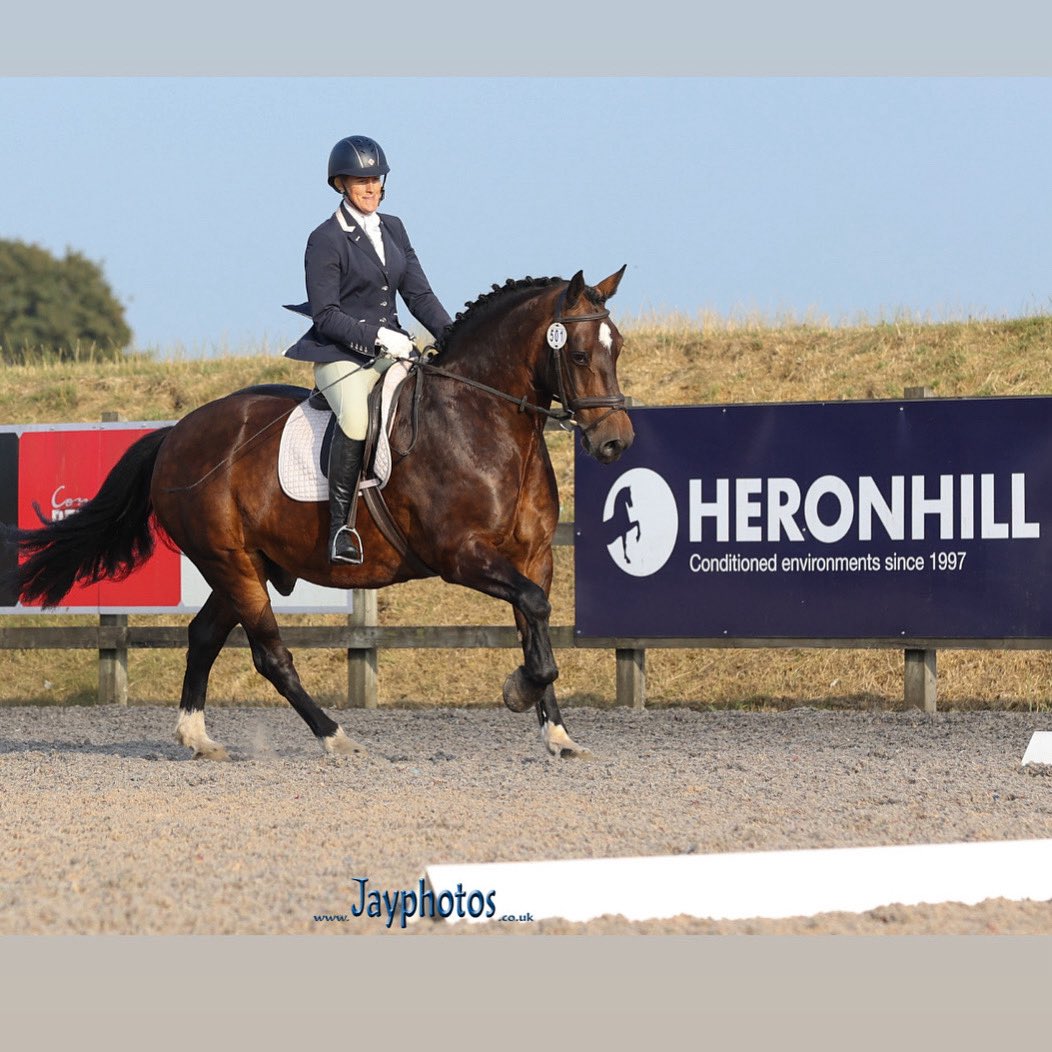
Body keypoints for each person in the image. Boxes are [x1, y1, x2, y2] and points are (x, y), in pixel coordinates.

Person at [285, 135, 453, 564]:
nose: (371, 188)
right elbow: (325, 314)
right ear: (340, 183)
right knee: (357, 419)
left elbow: (420, 296)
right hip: (342, 355)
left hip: (393, 352)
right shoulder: (324, 239)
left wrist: (455, 336)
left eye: (376, 179)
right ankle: (341, 528)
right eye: (361, 181)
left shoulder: (394, 228)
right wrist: (378, 337)